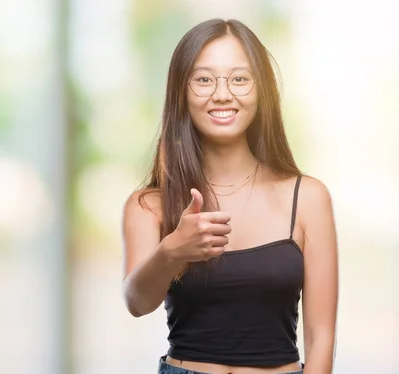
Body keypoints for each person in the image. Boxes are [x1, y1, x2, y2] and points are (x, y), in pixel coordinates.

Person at [121, 18, 338, 374]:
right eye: (204, 79)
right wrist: (172, 251)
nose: (222, 94)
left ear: (262, 91)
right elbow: (137, 302)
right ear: (181, 92)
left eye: (239, 78)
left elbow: (321, 338)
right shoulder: (149, 205)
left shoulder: (309, 197)